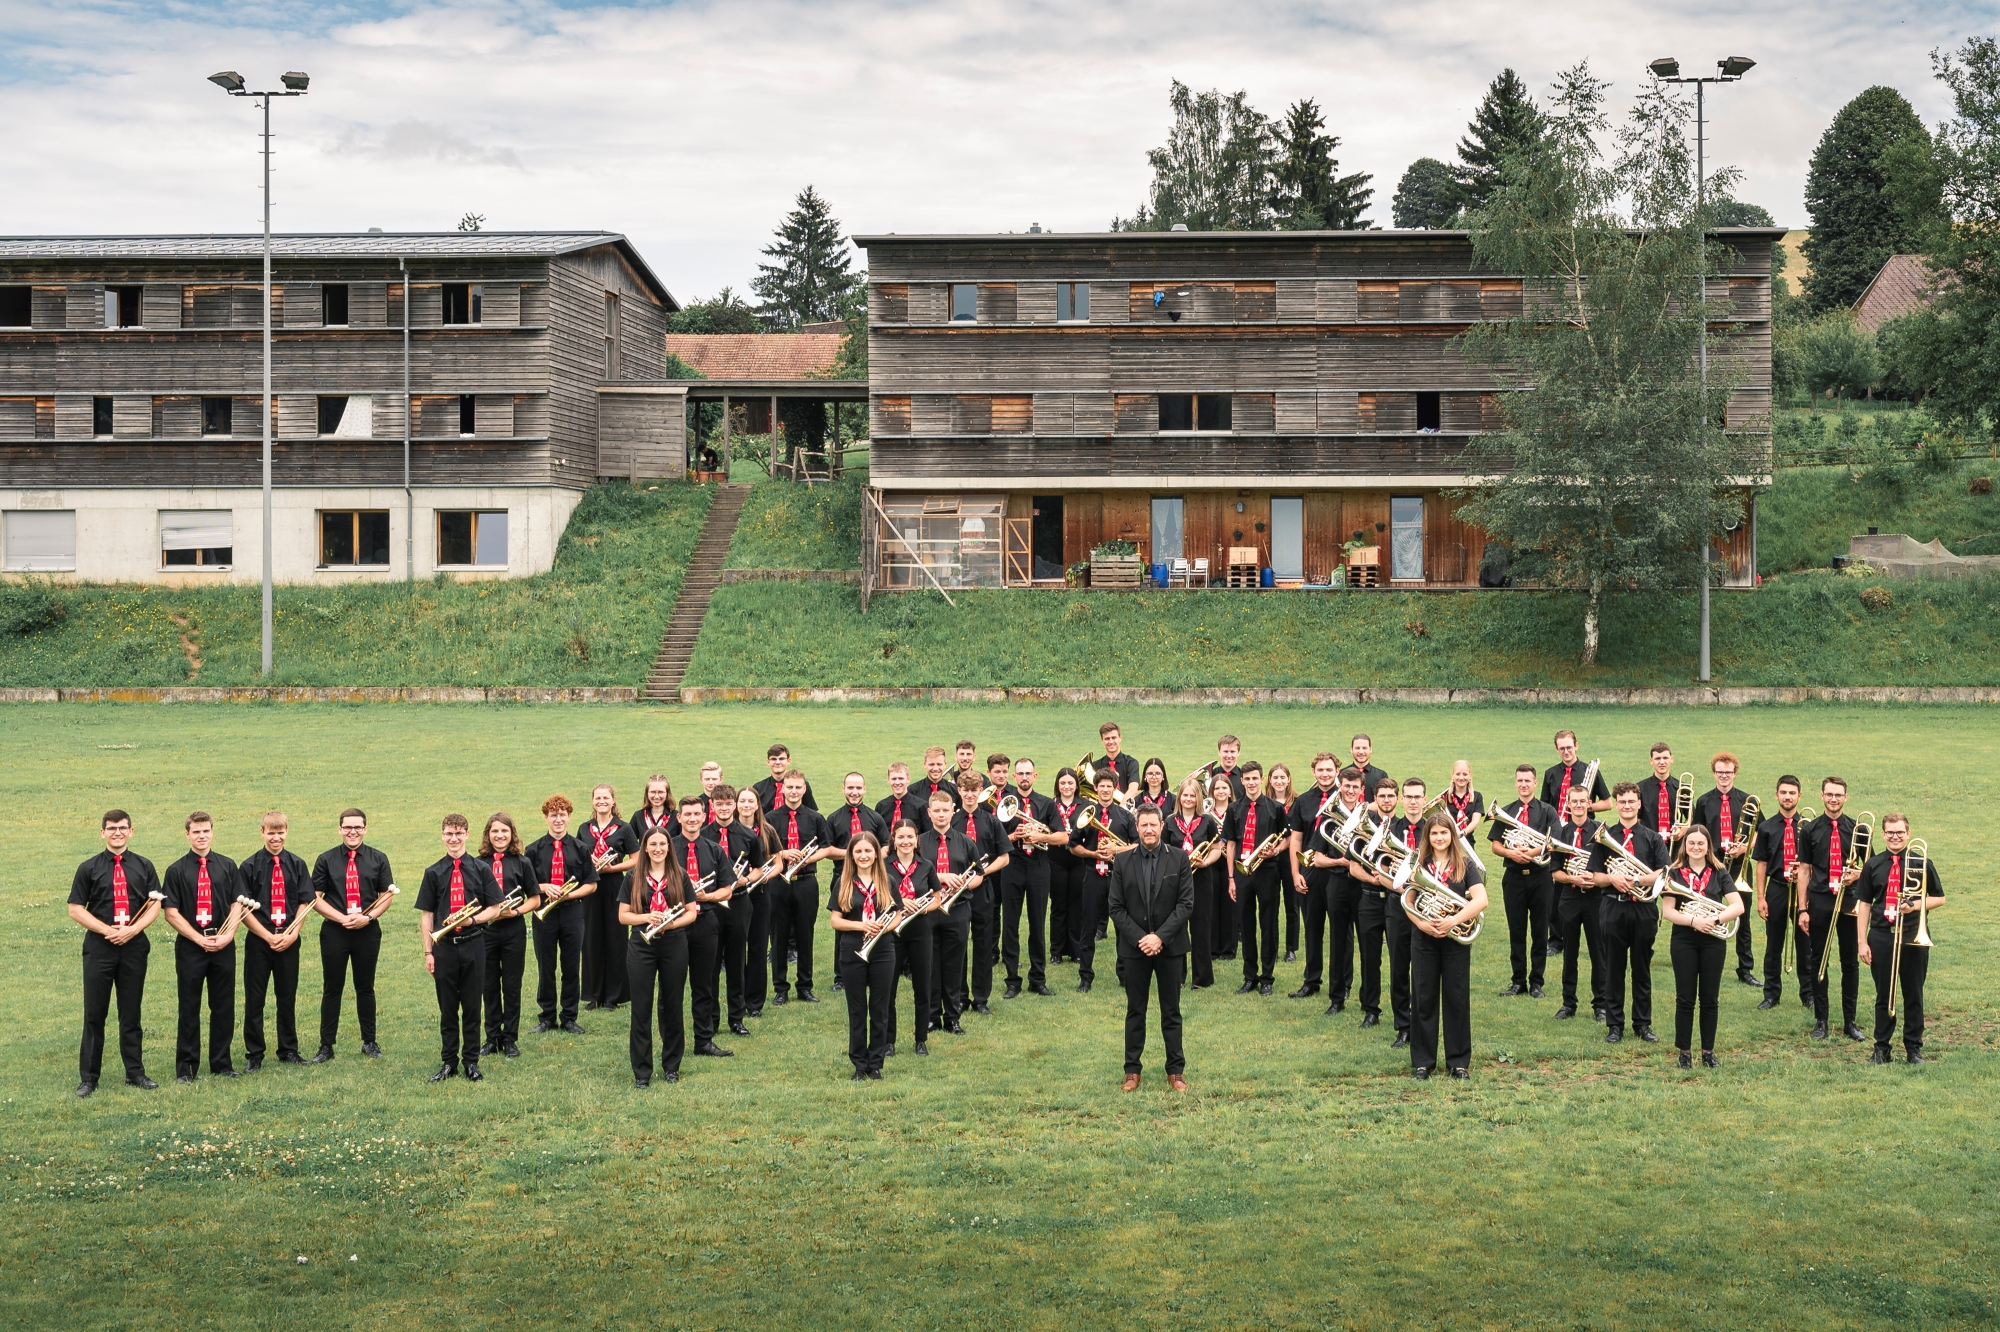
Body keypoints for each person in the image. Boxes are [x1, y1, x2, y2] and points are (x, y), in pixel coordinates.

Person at [68, 809, 163, 1096]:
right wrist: (105, 930)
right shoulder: (89, 867)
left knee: (131, 1013)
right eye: (112, 828)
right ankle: (89, 1078)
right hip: (100, 948)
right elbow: (75, 909)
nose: (117, 832)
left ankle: (135, 1073)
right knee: (94, 1014)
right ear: (103, 833)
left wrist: (133, 930)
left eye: (123, 828)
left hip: (133, 947)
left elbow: (155, 904)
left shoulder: (144, 866)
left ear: (131, 831)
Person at [1108, 806, 1195, 1092]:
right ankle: (1132, 1071)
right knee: (1136, 1011)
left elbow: (1185, 905)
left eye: (1153, 825)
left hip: (1170, 949)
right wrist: (1141, 938)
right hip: (1135, 949)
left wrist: (1160, 938)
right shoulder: (1122, 861)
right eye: (1143, 825)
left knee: (1171, 1011)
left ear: (1161, 826)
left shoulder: (1180, 858)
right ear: (1136, 826)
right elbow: (1116, 907)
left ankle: (1176, 1071)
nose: (1148, 830)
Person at [416, 814, 505, 1083]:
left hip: (474, 944)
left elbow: (495, 907)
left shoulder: (480, 869)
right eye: (448, 833)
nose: (453, 838)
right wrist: (428, 951)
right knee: (447, 1008)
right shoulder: (433, 872)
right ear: (442, 835)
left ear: (467, 834)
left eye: (458, 833)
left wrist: (473, 919)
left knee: (471, 1006)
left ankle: (471, 1062)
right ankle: (448, 1062)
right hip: (443, 948)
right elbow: (427, 914)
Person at [1854, 814, 1945, 1065]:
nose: (1895, 837)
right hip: (1882, 936)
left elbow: (1939, 898)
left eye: (1900, 832)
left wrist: (1915, 905)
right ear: (1883, 834)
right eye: (1890, 832)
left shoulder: (1921, 861)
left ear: (1908, 833)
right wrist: (1862, 942)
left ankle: (1913, 1048)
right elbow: (1863, 904)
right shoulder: (1872, 864)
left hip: (1912, 936)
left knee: (1913, 994)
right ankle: (1882, 1048)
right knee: (1884, 995)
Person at [1404, 812, 1488, 1080]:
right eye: (1434, 833)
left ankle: (1458, 1062)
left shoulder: (1465, 864)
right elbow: (1407, 897)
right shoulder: (1420, 865)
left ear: (1452, 835)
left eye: (1444, 833)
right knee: (1423, 998)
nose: (1439, 838)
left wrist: (1453, 921)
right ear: (1427, 837)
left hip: (1455, 941)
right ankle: (1422, 1062)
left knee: (1457, 998)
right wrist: (1421, 924)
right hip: (1424, 938)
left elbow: (1481, 900)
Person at [162, 811, 245, 1083]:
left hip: (222, 943)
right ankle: (186, 1068)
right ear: (187, 834)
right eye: (196, 832)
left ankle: (221, 1063)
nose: (201, 836)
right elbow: (171, 912)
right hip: (191, 946)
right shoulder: (176, 870)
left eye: (206, 831)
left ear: (212, 832)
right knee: (189, 1007)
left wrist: (228, 935)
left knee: (223, 1006)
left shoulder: (228, 866)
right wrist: (198, 939)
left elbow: (238, 903)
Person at [310, 808, 396, 1063]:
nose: (353, 831)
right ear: (340, 829)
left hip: (367, 932)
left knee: (365, 987)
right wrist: (341, 918)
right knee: (332, 987)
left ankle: (369, 1042)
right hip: (335, 932)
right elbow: (314, 898)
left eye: (358, 827)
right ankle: (326, 1046)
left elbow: (387, 896)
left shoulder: (378, 858)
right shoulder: (326, 859)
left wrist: (367, 918)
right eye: (347, 827)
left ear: (365, 829)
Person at [1589, 781, 1668, 1044]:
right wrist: (1613, 879)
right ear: (1617, 804)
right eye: (1621, 801)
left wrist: (1636, 880)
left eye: (1631, 801)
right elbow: (1596, 876)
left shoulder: (1653, 838)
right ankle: (1615, 1026)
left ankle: (1642, 1024)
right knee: (1613, 968)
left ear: (1639, 803)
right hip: (1613, 907)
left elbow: (1663, 873)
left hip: (1644, 909)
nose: (1626, 806)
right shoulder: (1605, 836)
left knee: (1642, 968)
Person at [1660, 825, 1743, 1069]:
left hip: (1713, 941)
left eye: (1701, 843)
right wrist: (1695, 920)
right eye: (1691, 843)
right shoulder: (1674, 873)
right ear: (1685, 846)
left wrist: (1715, 920)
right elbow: (1668, 912)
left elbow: (1737, 906)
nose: (1696, 847)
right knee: (1685, 998)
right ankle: (1684, 1052)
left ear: (1708, 846)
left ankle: (1708, 1051)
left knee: (1710, 999)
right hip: (1684, 940)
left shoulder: (1719, 871)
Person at [621, 824, 698, 1087]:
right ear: (645, 847)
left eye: (662, 844)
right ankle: (642, 1072)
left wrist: (671, 923)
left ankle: (672, 1066)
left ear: (669, 847)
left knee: (672, 1006)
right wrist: (647, 918)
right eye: (652, 844)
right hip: (641, 945)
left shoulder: (680, 875)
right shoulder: (633, 876)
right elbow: (623, 916)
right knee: (641, 1009)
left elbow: (691, 911)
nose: (658, 849)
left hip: (673, 944)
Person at [238, 810, 311, 1071]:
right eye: (271, 832)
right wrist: (267, 935)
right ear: (262, 833)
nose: (276, 837)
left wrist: (293, 932)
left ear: (287, 832)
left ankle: (288, 1049)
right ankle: (255, 1053)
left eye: (281, 832)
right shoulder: (248, 866)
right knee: (255, 997)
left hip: (289, 938)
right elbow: (243, 909)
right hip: (260, 939)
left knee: (287, 995)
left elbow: (305, 901)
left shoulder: (297, 864)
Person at [1796, 778, 1864, 1043]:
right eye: (1829, 794)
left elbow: (1869, 868)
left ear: (1846, 797)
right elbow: (1803, 871)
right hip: (1821, 900)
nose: (1833, 799)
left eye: (1838, 795)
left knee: (1850, 962)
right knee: (1818, 961)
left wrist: (1856, 874)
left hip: (1849, 901)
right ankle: (1821, 1020)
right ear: (1821, 796)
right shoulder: (1810, 829)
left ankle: (1850, 1021)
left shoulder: (1858, 829)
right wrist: (1803, 908)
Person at [525, 795, 598, 1036]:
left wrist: (568, 895)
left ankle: (569, 1017)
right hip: (543, 914)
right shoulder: (533, 850)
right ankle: (546, 1017)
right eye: (553, 815)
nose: (558, 819)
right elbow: (528, 884)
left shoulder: (580, 848)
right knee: (546, 966)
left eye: (562, 814)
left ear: (569, 817)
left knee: (570, 966)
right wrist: (544, 887)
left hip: (571, 912)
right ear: (546, 817)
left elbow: (591, 885)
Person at [829, 831, 897, 1080]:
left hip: (883, 950)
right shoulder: (843, 882)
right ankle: (859, 1064)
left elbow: (897, 915)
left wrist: (882, 929)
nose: (864, 855)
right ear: (851, 855)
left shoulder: (888, 881)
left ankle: (875, 1063)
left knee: (879, 1009)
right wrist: (862, 926)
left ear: (876, 854)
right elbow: (835, 920)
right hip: (852, 949)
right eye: (858, 851)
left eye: (868, 851)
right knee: (857, 1010)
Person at [673, 794, 737, 1058]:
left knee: (704, 985)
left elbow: (728, 889)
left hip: (705, 922)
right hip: (674, 924)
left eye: (696, 814)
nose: (691, 819)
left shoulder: (714, 849)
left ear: (704, 816)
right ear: (679, 817)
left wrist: (707, 896)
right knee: (672, 986)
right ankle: (672, 1042)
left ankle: (704, 1041)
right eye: (686, 814)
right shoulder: (667, 848)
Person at [920, 787, 988, 1032]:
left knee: (953, 965)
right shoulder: (919, 842)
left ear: (953, 812)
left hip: (958, 909)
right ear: (929, 812)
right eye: (936, 811)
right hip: (928, 910)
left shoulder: (965, 841)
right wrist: (941, 876)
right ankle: (931, 1016)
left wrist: (965, 883)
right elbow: (915, 876)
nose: (941, 815)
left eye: (945, 811)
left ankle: (952, 1018)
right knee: (930, 964)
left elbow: (979, 875)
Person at [1488, 764, 1557, 999]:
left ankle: (1536, 982)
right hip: (1514, 878)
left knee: (1540, 931)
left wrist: (1530, 852)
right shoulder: (1506, 812)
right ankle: (1518, 981)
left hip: (1541, 878)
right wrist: (1510, 853)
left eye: (1528, 780)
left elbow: (1552, 841)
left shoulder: (1548, 811)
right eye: (1520, 780)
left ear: (1535, 783)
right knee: (1516, 931)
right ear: (1515, 783)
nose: (1524, 784)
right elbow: (1495, 844)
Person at [998, 756, 1065, 999]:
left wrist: (1039, 837)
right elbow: (996, 840)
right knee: (1011, 925)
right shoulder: (1005, 803)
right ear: (1014, 777)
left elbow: (1063, 837)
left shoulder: (1046, 804)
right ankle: (1012, 981)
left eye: (1028, 773)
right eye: (1020, 774)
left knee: (1038, 924)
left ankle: (1038, 979)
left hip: (1038, 866)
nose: (1024, 777)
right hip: (1013, 865)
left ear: (1035, 776)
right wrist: (1014, 836)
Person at [1692, 753, 1759, 986]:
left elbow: (1760, 832)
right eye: (1719, 772)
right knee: (1707, 913)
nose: (1723, 776)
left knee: (1743, 917)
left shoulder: (1747, 800)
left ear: (1735, 773)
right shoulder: (1703, 801)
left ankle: (1745, 968)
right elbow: (1696, 833)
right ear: (1714, 773)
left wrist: (1745, 848)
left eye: (1728, 772)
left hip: (1740, 865)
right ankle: (1706, 961)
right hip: (1712, 864)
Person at [477, 812, 540, 1060]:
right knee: (488, 985)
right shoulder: (477, 863)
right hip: (485, 931)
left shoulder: (522, 862)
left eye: (504, 831)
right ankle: (492, 1037)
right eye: (495, 831)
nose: (500, 835)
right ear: (488, 834)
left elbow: (534, 899)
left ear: (512, 834)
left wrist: (515, 911)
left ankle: (510, 1039)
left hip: (513, 931)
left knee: (512, 986)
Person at [768, 769, 833, 1006]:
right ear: (783, 788)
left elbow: (826, 847)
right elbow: (763, 849)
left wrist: (808, 858)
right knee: (779, 936)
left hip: (806, 882)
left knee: (806, 935)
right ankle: (780, 988)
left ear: (804, 789)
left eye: (798, 787)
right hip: (778, 884)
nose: (794, 791)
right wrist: (783, 853)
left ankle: (805, 987)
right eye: (790, 787)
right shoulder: (770, 818)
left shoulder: (815, 817)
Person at [1349, 776, 1405, 1034]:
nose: (1386, 800)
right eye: (1381, 796)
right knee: (1370, 959)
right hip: (1369, 900)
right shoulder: (1363, 826)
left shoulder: (1406, 828)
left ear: (1398, 799)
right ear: (1375, 799)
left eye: (1390, 795)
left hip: (1398, 903)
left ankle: (1402, 1015)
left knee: (1399, 961)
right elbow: (1353, 865)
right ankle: (1371, 1010)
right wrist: (1372, 877)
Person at [1224, 761, 1286, 996]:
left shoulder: (1275, 808)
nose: (1251, 782)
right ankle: (1249, 976)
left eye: (1255, 778)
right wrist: (1231, 877)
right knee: (1245, 924)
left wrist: (1276, 850)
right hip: (1242, 872)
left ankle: (1267, 978)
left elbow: (1286, 837)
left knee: (1268, 924)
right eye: (1247, 779)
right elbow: (1230, 843)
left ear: (1262, 780)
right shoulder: (1234, 809)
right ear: (1242, 781)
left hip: (1267, 871)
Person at [1751, 775, 1811, 1013]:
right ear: (1776, 795)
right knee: (1773, 945)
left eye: (1792, 793)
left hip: (1803, 891)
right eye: (1783, 792)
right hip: (1777, 888)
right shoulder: (1766, 827)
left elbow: (1815, 863)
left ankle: (1808, 994)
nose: (1788, 797)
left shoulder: (1808, 826)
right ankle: (1771, 994)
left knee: (1805, 945)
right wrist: (1761, 897)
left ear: (1799, 796)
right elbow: (1761, 865)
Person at [1314, 766, 1370, 1014]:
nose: (1350, 790)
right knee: (1338, 942)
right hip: (1337, 883)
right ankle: (1336, 999)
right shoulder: (1327, 817)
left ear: (1361, 789)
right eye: (1346, 786)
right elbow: (1317, 859)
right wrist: (1342, 861)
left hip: (1364, 885)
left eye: (1355, 787)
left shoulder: (1370, 816)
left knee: (1368, 943)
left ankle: (1368, 1000)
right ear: (1340, 787)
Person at [955, 767, 1011, 1013]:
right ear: (959, 791)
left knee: (983, 944)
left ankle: (980, 998)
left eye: (973, 791)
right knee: (957, 944)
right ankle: (959, 996)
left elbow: (1005, 857)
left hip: (983, 890)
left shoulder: (991, 820)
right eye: (965, 790)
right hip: (956, 893)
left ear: (981, 791)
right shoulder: (952, 821)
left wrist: (981, 874)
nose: (969, 795)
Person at [883, 819, 941, 1055]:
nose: (905, 841)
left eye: (910, 837)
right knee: (889, 987)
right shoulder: (883, 865)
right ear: (893, 839)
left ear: (916, 839)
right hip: (891, 931)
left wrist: (922, 908)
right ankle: (888, 1041)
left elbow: (937, 898)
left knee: (922, 985)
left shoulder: (926, 865)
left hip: (920, 929)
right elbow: (875, 896)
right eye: (901, 837)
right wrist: (898, 903)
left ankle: (920, 1039)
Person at [1077, 769, 1136, 992]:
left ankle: (1124, 973)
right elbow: (1074, 846)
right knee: (1088, 928)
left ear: (1114, 788)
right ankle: (1085, 977)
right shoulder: (1086, 814)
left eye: (1108, 786)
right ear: (1096, 788)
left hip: (1118, 878)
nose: (1104, 789)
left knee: (1122, 928)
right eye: (1100, 786)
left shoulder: (1125, 816)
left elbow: (1138, 844)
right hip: (1093, 875)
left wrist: (1116, 849)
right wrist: (1093, 854)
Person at [580, 784, 638, 1013]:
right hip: (591, 887)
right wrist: (589, 865)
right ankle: (594, 995)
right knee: (592, 939)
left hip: (615, 885)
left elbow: (636, 858)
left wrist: (614, 868)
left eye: (606, 797)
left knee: (616, 939)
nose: (602, 801)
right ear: (593, 801)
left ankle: (614, 996)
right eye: (598, 797)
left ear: (613, 800)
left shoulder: (624, 828)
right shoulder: (584, 828)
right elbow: (577, 858)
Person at [1288, 753, 1341, 1000]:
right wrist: (1296, 873)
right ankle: (1311, 980)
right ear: (1313, 772)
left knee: (1341, 932)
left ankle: (1342, 983)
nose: (1325, 774)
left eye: (1329, 769)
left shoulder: (1345, 798)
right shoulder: (1304, 801)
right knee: (1312, 928)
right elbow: (1296, 839)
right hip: (1309, 870)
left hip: (1338, 871)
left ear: (1337, 771)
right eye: (1320, 770)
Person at [1550, 786, 1605, 1023]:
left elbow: (1609, 865)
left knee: (1598, 953)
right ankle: (1568, 1003)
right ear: (1568, 804)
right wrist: (1574, 878)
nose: (1579, 805)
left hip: (1595, 899)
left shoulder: (1602, 832)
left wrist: (1594, 877)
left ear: (1589, 803)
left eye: (1583, 801)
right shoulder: (1560, 833)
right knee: (1569, 953)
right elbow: (1555, 872)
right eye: (1575, 801)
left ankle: (1601, 1005)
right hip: (1570, 898)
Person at [1163, 778, 1223, 990]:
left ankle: (1202, 978)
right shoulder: (1169, 821)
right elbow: (1164, 850)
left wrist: (1205, 861)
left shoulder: (1208, 821)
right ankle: (1177, 976)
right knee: (1176, 929)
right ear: (1179, 797)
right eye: (1185, 795)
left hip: (1201, 878)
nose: (1188, 799)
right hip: (1175, 881)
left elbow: (1217, 848)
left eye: (1192, 795)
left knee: (1201, 928)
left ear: (1198, 798)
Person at [731, 786, 781, 1019]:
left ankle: (755, 1003)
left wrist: (759, 877)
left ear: (757, 804)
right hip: (735, 896)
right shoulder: (729, 831)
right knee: (737, 949)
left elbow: (778, 864)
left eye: (751, 801)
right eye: (742, 801)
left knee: (759, 948)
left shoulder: (767, 830)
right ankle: (738, 999)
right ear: (736, 804)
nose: (746, 805)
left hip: (760, 895)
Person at [1047, 767, 1092, 971]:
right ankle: (1056, 951)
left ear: (1076, 785)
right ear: (1057, 785)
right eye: (1062, 783)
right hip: (1055, 859)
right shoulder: (1050, 805)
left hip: (1078, 860)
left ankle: (1076, 951)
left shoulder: (1086, 805)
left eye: (1070, 783)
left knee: (1077, 906)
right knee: (1058, 905)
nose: (1066, 786)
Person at [1266, 762, 1301, 962]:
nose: (1279, 781)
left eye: (1282, 777)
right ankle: (1271, 946)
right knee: (1270, 905)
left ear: (1288, 779)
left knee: (1292, 905)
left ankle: (1290, 948)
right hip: (1270, 860)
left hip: (1290, 860)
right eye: (1275, 777)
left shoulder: (1298, 801)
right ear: (1270, 780)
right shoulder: (1264, 802)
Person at [1207, 772, 1242, 962]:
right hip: (1212, 861)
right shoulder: (1206, 812)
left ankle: (1229, 949)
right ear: (1211, 792)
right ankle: (1213, 949)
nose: (1220, 791)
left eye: (1224, 788)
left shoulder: (1236, 809)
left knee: (1230, 905)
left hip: (1231, 861)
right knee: (1212, 904)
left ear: (1230, 790)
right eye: (1217, 788)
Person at [1635, 743, 1688, 845]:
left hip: (1675, 845)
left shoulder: (1682, 788)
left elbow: (1690, 818)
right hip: (1648, 844)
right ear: (1651, 761)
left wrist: (1681, 832)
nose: (1662, 762)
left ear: (1671, 759)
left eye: (1665, 758)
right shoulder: (1640, 788)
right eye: (1657, 758)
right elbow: (1637, 820)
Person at [753, 744, 817, 815]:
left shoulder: (800, 785)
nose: (777, 762)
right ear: (768, 762)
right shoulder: (758, 788)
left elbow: (812, 813)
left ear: (788, 761)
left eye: (781, 759)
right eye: (773, 759)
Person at [908, 746, 961, 812]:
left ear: (945, 764)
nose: (935, 768)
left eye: (939, 764)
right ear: (924, 765)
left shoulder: (955, 790)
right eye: (931, 764)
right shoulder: (913, 791)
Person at [876, 763, 921, 833]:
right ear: (888, 780)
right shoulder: (881, 806)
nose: (897, 782)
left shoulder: (920, 806)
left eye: (901, 778)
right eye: (894, 779)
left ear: (908, 779)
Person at [631, 775, 675, 845]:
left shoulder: (676, 817)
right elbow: (630, 844)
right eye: (653, 792)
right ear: (647, 793)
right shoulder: (638, 816)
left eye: (660, 792)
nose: (657, 796)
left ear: (667, 793)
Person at [1349, 734, 1391, 802]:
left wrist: (1361, 809)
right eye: (1357, 748)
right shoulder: (1342, 774)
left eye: (1364, 748)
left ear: (1370, 749)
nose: (1361, 752)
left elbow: (1384, 801)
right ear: (1351, 750)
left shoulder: (1381, 775)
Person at [1213, 735, 1248, 802]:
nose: (1229, 756)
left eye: (1232, 752)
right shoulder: (1211, 775)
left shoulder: (1244, 777)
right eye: (1225, 751)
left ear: (1238, 753)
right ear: (1219, 752)